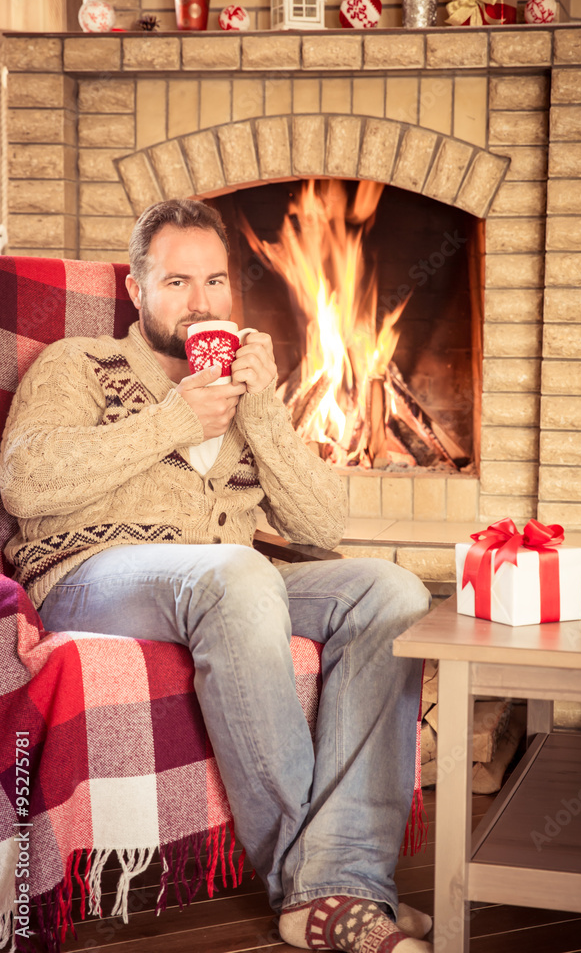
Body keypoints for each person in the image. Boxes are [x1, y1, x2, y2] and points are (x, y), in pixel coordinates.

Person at [0, 199, 432, 953]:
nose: (200, 302)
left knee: (389, 591)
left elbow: (320, 527)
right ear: (137, 291)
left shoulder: (247, 392)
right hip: (89, 577)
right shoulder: (79, 363)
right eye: (176, 281)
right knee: (236, 574)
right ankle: (324, 893)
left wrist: (261, 412)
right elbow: (24, 484)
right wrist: (171, 419)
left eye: (215, 281)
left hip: (231, 585)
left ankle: (341, 885)